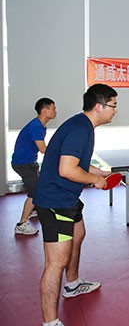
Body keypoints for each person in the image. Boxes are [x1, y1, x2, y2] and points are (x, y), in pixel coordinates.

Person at [33, 84, 118, 326]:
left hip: (68, 197)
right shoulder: (80, 129)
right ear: (98, 106)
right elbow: (67, 169)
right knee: (56, 262)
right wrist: (95, 180)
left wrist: (98, 172)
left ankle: (72, 285)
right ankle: (50, 322)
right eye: (113, 105)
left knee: (78, 235)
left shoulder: (83, 126)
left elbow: (77, 162)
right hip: (55, 201)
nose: (115, 111)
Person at [12, 98, 57, 235]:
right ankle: (21, 224)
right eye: (53, 108)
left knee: (39, 187)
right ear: (45, 110)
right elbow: (43, 149)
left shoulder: (40, 125)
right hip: (23, 164)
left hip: (29, 162)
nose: (55, 111)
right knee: (36, 192)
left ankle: (33, 208)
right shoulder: (36, 127)